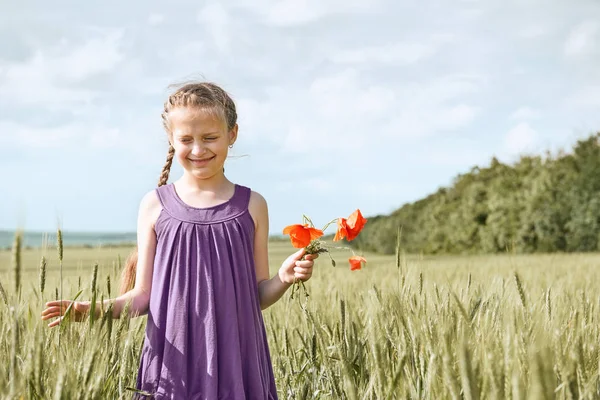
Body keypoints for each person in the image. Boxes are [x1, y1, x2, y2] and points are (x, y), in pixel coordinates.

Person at [40, 81, 317, 399]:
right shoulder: (154, 205)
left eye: (210, 137)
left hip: (238, 360)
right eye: (186, 139)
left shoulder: (253, 205)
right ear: (171, 140)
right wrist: (95, 310)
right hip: (173, 363)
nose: (198, 150)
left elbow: (256, 297)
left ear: (232, 134)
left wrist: (283, 278)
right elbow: (143, 295)